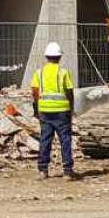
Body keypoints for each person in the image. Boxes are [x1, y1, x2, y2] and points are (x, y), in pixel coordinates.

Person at [31, 42, 76, 180]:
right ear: (59, 57)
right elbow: (69, 91)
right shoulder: (63, 72)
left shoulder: (39, 72)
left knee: (45, 140)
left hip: (45, 111)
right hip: (62, 111)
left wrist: (37, 109)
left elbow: (35, 92)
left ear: (46, 56)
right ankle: (67, 171)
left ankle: (43, 170)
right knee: (65, 140)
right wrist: (71, 108)